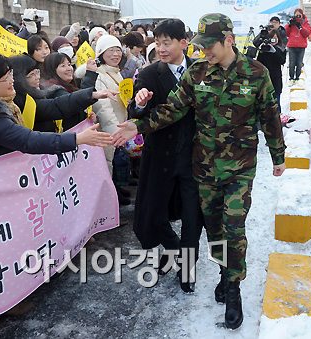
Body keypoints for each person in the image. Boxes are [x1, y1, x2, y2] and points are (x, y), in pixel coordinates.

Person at [113, 13, 286, 330]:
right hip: (204, 167)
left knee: (234, 227)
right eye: (201, 46)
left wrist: (278, 155)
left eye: (210, 46)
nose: (204, 51)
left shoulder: (256, 73)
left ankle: (233, 290)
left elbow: (271, 116)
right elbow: (172, 109)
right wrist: (137, 125)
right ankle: (223, 272)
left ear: (228, 41)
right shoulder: (197, 73)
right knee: (215, 230)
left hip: (239, 167)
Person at [127, 18, 204, 294]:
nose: (160, 48)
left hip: (195, 157)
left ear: (184, 43)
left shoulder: (201, 71)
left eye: (166, 42)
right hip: (160, 156)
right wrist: (139, 103)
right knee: (152, 213)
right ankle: (172, 249)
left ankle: (187, 268)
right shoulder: (148, 74)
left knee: (192, 217)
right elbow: (134, 110)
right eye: (157, 43)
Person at [0, 52, 113, 164]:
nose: (12, 80)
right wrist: (77, 139)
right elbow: (28, 140)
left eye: (11, 74)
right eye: (6, 78)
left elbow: (54, 106)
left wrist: (90, 95)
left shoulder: (8, 100)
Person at [91, 35, 130, 205]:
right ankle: (108, 204)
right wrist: (116, 130)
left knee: (113, 164)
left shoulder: (115, 73)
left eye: (118, 50)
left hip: (118, 126)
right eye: (111, 50)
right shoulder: (100, 75)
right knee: (107, 165)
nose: (116, 54)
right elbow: (102, 107)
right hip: (108, 130)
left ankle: (115, 196)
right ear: (100, 53)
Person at [41, 52, 99, 131]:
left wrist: (89, 117)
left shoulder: (69, 87)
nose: (69, 68)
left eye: (69, 64)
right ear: (52, 70)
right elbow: (77, 106)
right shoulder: (56, 92)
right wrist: (90, 75)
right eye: (63, 66)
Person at [253, 29, 287, 111]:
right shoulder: (264, 50)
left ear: (278, 38)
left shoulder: (281, 49)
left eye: (275, 38)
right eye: (271, 38)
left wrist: (274, 51)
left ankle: (278, 119)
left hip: (276, 80)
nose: (273, 41)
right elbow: (258, 63)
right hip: (264, 80)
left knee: (277, 102)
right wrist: (262, 50)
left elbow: (282, 61)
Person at [285, 8, 311, 85]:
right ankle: (291, 78)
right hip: (292, 46)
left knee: (299, 63)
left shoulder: (305, 23)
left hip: (301, 46)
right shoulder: (292, 22)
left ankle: (297, 78)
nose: (298, 17)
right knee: (292, 63)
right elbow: (286, 33)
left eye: (299, 15)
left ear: (302, 15)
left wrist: (300, 27)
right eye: (297, 15)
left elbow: (306, 34)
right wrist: (290, 25)